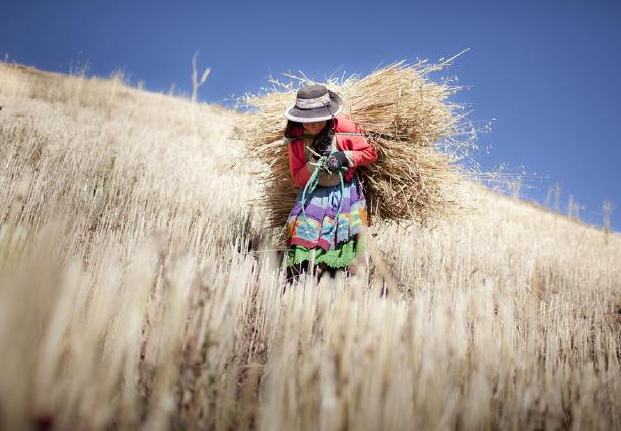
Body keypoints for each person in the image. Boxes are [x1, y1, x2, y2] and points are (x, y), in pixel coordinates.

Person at [282, 84, 378, 283]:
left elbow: (370, 153)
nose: (313, 125)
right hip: (312, 194)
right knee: (302, 238)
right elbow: (297, 177)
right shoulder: (296, 138)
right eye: (307, 121)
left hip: (343, 193)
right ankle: (300, 283)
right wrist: (313, 165)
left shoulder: (344, 128)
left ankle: (332, 283)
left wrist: (344, 157)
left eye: (317, 119)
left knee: (337, 242)